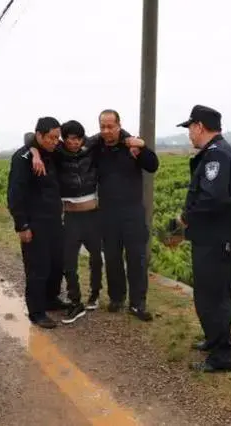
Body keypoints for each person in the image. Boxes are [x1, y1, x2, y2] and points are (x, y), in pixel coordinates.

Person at [175, 105, 231, 373]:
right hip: (212, 239)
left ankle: (222, 356)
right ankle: (214, 340)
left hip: (216, 241)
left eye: (190, 128)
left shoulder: (217, 156)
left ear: (200, 127)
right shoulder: (217, 153)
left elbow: (213, 198)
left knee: (214, 297)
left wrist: (187, 216)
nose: (189, 134)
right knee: (209, 294)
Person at [25, 120, 107, 324]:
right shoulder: (57, 151)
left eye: (78, 139)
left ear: (83, 138)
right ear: (64, 139)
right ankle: (75, 300)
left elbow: (113, 133)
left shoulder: (91, 145)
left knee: (96, 257)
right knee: (68, 261)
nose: (74, 144)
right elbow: (30, 138)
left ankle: (94, 295)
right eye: (70, 139)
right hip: (70, 216)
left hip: (93, 215)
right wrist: (34, 153)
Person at [90, 109, 159, 321]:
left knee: (136, 259)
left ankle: (138, 303)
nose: (106, 131)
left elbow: (152, 165)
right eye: (102, 126)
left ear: (119, 125)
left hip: (132, 213)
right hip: (108, 213)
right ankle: (117, 298)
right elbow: (71, 146)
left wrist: (143, 147)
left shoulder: (132, 144)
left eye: (110, 126)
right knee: (112, 257)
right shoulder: (95, 146)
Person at [7, 117, 68, 329]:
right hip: (34, 223)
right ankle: (36, 312)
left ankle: (51, 299)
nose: (55, 141)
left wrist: (37, 150)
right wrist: (21, 225)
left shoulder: (52, 153)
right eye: (51, 137)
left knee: (56, 264)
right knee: (37, 268)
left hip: (53, 219)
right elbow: (15, 193)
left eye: (57, 137)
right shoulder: (22, 158)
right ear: (39, 135)